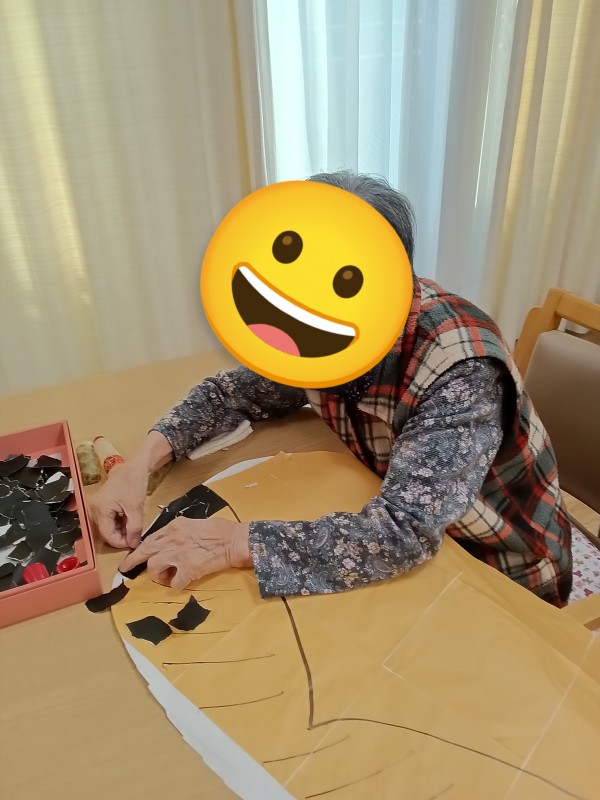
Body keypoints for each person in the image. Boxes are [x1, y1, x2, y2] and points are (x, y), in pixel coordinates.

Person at [92, 171, 572, 607]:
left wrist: (232, 542)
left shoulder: (462, 371)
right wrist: (138, 467)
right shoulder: (315, 323)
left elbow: (403, 532)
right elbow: (232, 393)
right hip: (403, 514)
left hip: (498, 563)